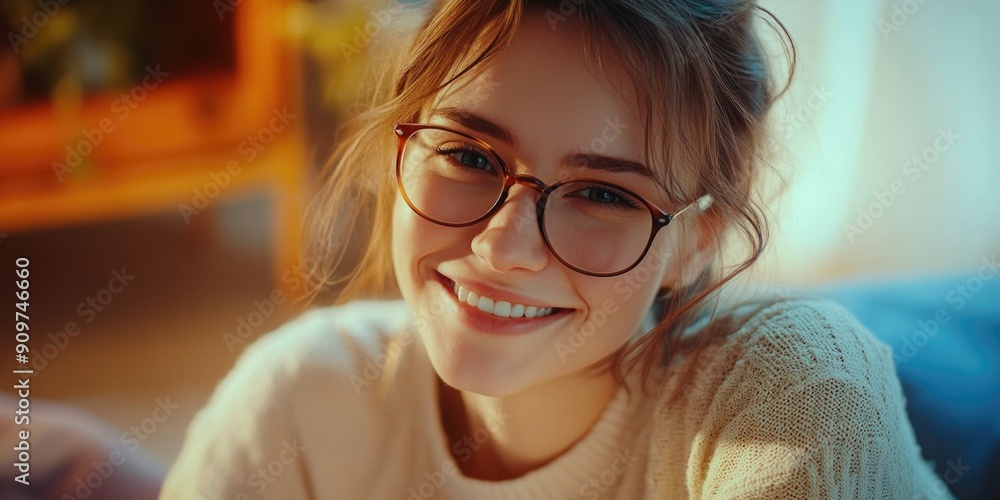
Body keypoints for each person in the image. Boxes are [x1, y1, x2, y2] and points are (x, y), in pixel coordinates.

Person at [161, 1, 954, 498]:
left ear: (696, 242)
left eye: (604, 195)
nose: (503, 246)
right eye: (469, 156)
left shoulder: (797, 391)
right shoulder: (296, 397)